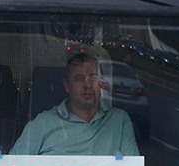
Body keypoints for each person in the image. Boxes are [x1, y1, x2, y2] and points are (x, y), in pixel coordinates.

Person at [10, 53, 140, 157]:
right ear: (67, 85)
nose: (88, 86)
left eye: (93, 78)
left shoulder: (119, 121)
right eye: (79, 79)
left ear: (101, 83)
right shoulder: (42, 124)